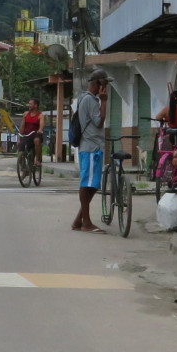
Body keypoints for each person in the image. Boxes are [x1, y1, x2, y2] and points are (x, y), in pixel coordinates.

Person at [70, 69, 110, 232]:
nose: (106, 87)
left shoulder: (85, 99)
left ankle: (79, 219)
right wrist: (104, 101)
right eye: (104, 84)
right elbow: (99, 122)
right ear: (97, 84)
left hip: (91, 146)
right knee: (87, 184)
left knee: (93, 184)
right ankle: (86, 222)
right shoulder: (91, 100)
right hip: (91, 146)